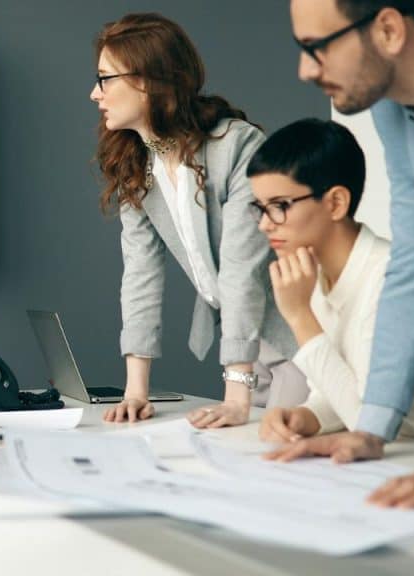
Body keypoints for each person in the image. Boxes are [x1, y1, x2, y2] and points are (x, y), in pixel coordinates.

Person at [92, 13, 306, 428]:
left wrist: (235, 395)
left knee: (283, 455)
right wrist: (135, 392)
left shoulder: (236, 146)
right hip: (243, 341)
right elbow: (140, 277)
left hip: (298, 334)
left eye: (105, 78)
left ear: (148, 80)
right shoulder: (137, 164)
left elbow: (243, 269)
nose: (94, 94)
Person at [270, 0, 414, 463]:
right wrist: (370, 430)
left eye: (316, 47)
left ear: (387, 30)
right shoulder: (393, 110)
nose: (305, 70)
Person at [248, 119, 414, 447]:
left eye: (279, 206)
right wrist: (304, 416)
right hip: (389, 458)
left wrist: (299, 317)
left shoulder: (390, 281)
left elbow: (369, 422)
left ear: (336, 203)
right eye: (259, 208)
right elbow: (338, 391)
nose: (264, 224)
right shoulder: (314, 275)